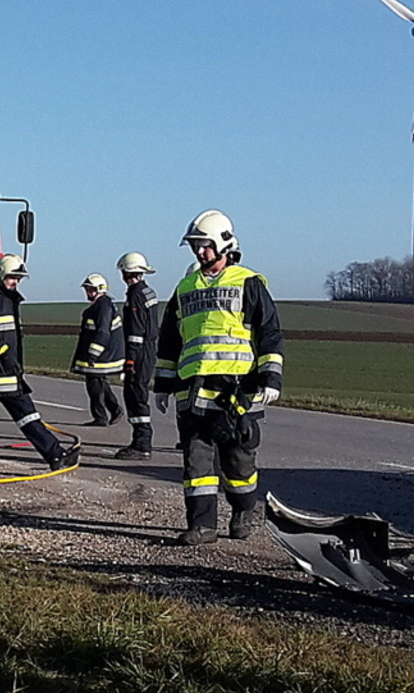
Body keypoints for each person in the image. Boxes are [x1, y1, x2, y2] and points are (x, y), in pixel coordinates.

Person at [154, 210, 284, 544]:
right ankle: (202, 526)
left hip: (237, 391)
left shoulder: (248, 282)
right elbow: (169, 341)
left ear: (224, 244)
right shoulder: (185, 287)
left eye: (205, 244)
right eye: (195, 245)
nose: (200, 251)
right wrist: (163, 385)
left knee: (238, 461)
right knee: (196, 463)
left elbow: (269, 332)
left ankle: (243, 512)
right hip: (193, 390)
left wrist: (271, 377)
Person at [0, 255, 78, 478]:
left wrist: (11, 363)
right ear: (0, 275)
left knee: (25, 417)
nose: (15, 282)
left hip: (7, 374)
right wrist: (3, 355)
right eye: (12, 277)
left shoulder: (8, 299)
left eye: (18, 278)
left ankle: (55, 455)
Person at [114, 251, 161, 459]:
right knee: (137, 394)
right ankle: (141, 442)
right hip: (148, 350)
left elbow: (135, 330)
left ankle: (142, 444)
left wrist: (130, 359)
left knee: (135, 396)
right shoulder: (148, 292)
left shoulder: (135, 295)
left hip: (139, 352)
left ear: (126, 272)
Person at [72, 273, 124, 427]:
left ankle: (101, 417)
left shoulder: (103, 307)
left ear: (99, 289)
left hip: (102, 356)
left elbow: (103, 332)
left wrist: (93, 354)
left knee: (94, 386)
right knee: (99, 383)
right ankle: (115, 410)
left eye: (90, 289)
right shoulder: (101, 305)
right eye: (87, 289)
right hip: (103, 354)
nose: (88, 292)